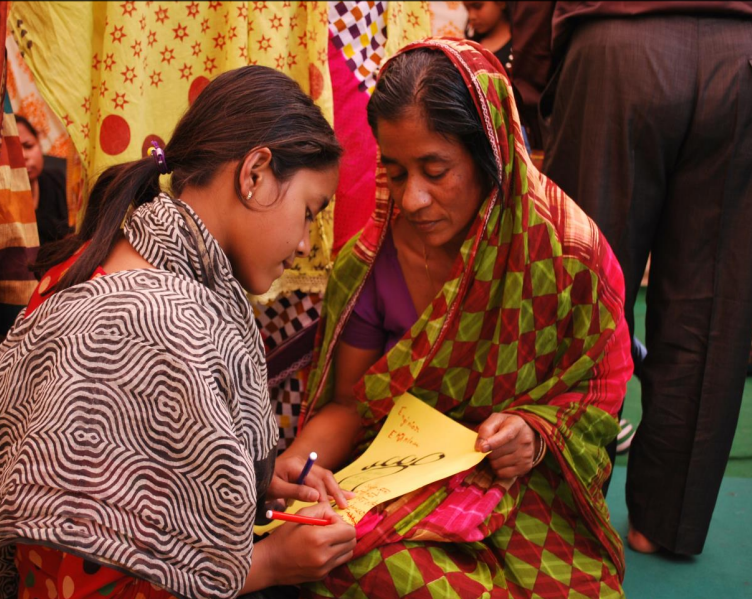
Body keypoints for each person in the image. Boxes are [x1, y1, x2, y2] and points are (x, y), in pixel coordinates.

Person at [0, 66, 356, 599]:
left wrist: (250, 486)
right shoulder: (164, 322)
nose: (308, 243)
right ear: (255, 173)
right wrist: (269, 563)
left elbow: (139, 486)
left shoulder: (100, 260)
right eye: (309, 212)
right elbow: (102, 570)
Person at [275, 39, 632, 597]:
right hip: (404, 495)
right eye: (394, 172)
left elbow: (598, 386)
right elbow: (350, 404)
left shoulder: (566, 256)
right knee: (370, 570)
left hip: (527, 497)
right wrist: (296, 466)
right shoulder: (369, 266)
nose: (413, 199)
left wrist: (534, 433)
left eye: (435, 170)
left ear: (491, 156)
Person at [510, 1, 752, 555]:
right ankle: (665, 524)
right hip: (741, 50)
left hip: (618, 42)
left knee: (583, 292)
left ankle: (564, 511)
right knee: (711, 306)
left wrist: (531, 88)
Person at [15, 114, 72, 248]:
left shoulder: (56, 180)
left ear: (39, 144)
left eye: (28, 146)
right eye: (14, 150)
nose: (23, 156)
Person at [464, 2, 513, 72]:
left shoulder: (521, 44)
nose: (471, 16)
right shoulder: (469, 46)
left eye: (477, 6)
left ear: (501, 3)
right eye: (467, 9)